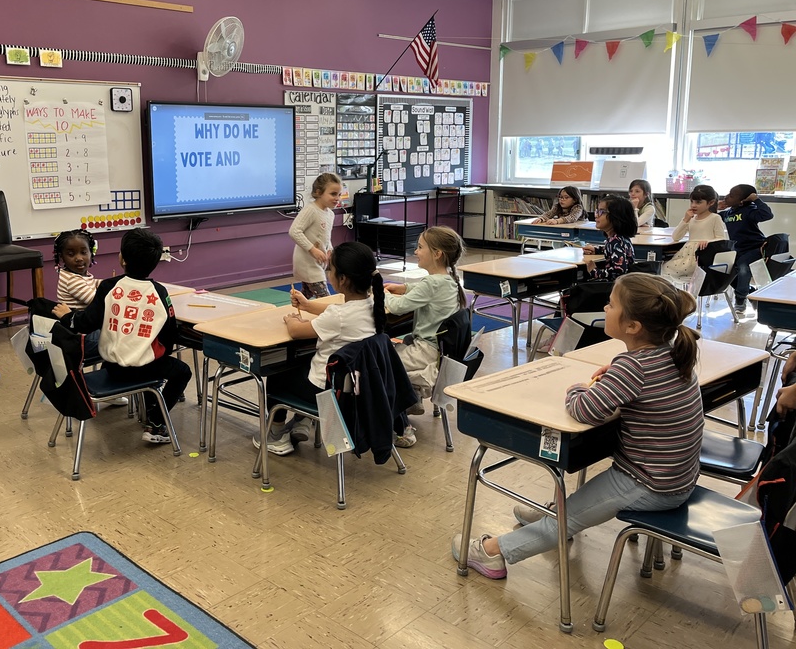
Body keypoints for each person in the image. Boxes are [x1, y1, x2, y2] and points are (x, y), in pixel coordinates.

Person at [453, 273, 703, 579]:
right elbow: (643, 385)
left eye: (611, 305)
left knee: (565, 522)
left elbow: (583, 410)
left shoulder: (633, 368)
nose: (605, 307)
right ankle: (554, 510)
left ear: (633, 326)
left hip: (649, 484)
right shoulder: (673, 352)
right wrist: (616, 374)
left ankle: (495, 552)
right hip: (675, 477)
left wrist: (577, 387)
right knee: (580, 495)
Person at [53, 228, 191, 444]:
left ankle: (147, 407)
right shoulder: (160, 292)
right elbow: (170, 334)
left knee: (123, 343)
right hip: (142, 370)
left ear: (121, 259)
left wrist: (66, 316)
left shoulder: (109, 287)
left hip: (112, 366)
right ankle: (156, 422)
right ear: (156, 262)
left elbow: (85, 322)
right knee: (182, 371)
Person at [254, 241, 386, 455]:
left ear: (342, 279)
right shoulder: (373, 305)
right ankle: (302, 421)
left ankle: (275, 435)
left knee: (278, 372)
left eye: (331, 269)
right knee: (306, 362)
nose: (329, 274)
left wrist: (290, 319)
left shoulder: (338, 317)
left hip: (329, 394)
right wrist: (307, 305)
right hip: (360, 390)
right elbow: (338, 310)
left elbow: (297, 331)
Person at [383, 226, 467, 443]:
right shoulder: (449, 280)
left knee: (381, 363)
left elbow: (397, 307)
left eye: (420, 247)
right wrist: (402, 287)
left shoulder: (431, 283)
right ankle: (413, 398)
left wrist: (382, 293)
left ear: (437, 254)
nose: (416, 251)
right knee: (395, 349)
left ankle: (403, 427)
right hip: (440, 354)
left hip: (426, 353)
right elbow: (420, 289)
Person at [719, 184, 774, 312]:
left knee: (743, 267)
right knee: (727, 270)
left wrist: (756, 199)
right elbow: (711, 217)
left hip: (755, 248)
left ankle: (740, 298)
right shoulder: (727, 213)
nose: (727, 197)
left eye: (732, 196)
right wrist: (716, 207)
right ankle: (750, 292)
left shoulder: (750, 211)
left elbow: (767, 215)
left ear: (742, 201)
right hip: (738, 249)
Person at [53, 229, 104, 358]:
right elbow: (98, 303)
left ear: (91, 253)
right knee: (125, 336)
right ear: (61, 257)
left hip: (82, 331)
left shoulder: (76, 275)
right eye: (71, 254)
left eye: (83, 252)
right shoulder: (72, 280)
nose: (79, 258)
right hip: (82, 339)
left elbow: (95, 283)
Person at [290, 172, 342, 299]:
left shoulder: (330, 214)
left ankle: (295, 312)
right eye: (333, 194)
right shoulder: (310, 210)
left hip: (318, 261)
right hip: (307, 262)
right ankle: (328, 316)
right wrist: (312, 249)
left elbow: (325, 236)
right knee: (324, 298)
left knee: (306, 294)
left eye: (339, 194)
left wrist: (329, 250)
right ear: (318, 192)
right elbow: (294, 231)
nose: (337, 198)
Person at [662, 184, 727, 281]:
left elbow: (722, 239)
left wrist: (709, 242)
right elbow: (676, 237)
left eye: (698, 202)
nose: (693, 205)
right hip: (686, 255)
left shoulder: (715, 218)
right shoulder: (691, 219)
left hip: (702, 255)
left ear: (711, 202)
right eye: (692, 201)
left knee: (673, 271)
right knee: (663, 269)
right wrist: (685, 220)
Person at [581, 194, 637, 281]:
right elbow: (615, 251)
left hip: (615, 287)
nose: (596, 215)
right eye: (597, 211)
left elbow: (619, 273)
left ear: (616, 217)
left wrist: (594, 271)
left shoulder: (615, 241)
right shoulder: (619, 239)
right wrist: (597, 250)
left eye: (602, 212)